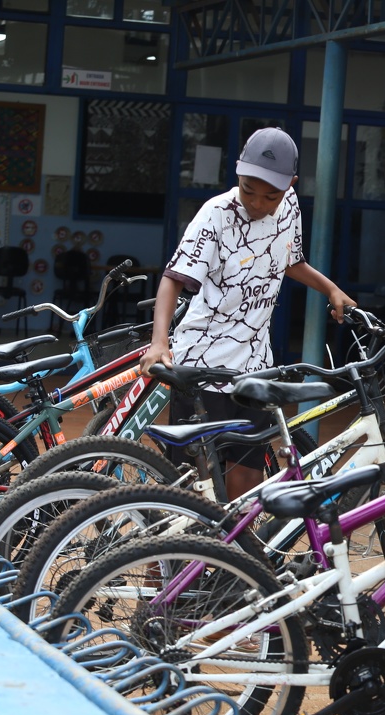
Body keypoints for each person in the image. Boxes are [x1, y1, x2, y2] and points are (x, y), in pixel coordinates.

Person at [140, 127, 356, 501]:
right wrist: (159, 341)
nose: (258, 203)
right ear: (237, 176)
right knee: (188, 491)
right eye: (248, 190)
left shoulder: (288, 207)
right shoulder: (216, 215)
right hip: (200, 368)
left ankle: (233, 560)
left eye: (270, 195)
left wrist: (331, 289)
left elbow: (291, 261)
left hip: (254, 369)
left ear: (290, 184)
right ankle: (170, 561)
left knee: (246, 485)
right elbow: (173, 279)